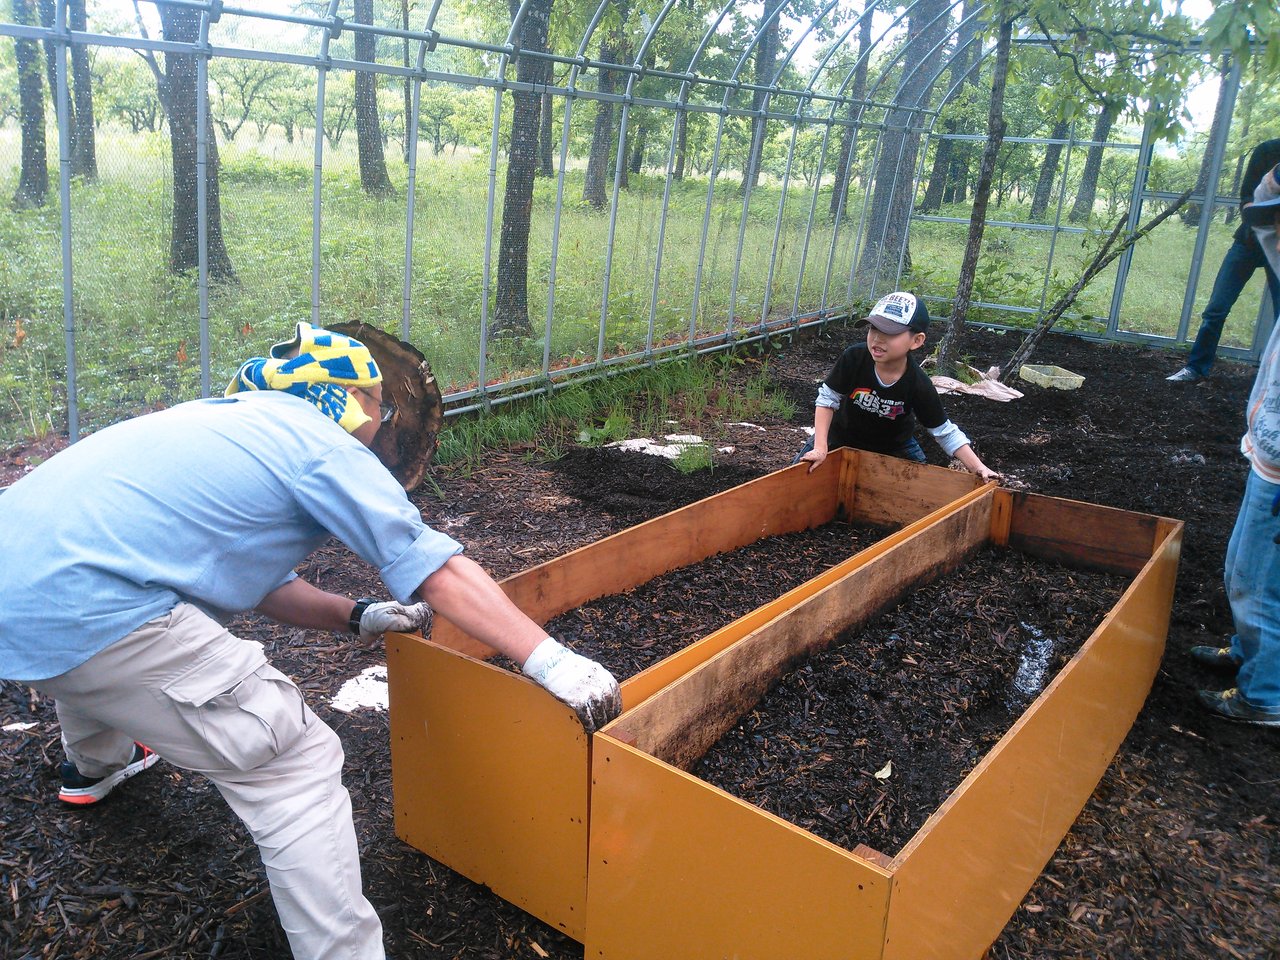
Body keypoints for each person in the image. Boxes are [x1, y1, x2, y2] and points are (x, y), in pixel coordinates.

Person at [0, 321, 624, 959]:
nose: (384, 423)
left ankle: (93, 766)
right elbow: (434, 568)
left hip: (19, 593)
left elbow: (263, 582)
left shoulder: (222, 425)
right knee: (292, 763)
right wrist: (550, 659)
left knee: (88, 634)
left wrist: (356, 616)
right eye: (381, 405)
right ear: (347, 400)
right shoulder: (319, 444)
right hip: (93, 609)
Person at [1190, 164, 1280, 726]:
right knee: (1244, 572)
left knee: (1257, 583)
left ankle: (1264, 695)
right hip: (1268, 458)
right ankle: (1248, 653)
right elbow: (1265, 218)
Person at [795, 291, 999, 481]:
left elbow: (944, 432)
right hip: (839, 435)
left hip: (893, 446)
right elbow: (827, 399)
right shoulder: (854, 358)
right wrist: (821, 447)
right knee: (794, 479)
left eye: (890, 332)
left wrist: (978, 467)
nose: (877, 338)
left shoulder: (918, 383)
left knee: (921, 491)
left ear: (917, 341)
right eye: (874, 328)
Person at [1167, 137, 1280, 383]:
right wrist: (1259, 218)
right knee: (1216, 308)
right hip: (1248, 242)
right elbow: (1247, 199)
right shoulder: (1268, 151)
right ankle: (1195, 368)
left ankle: (1273, 383)